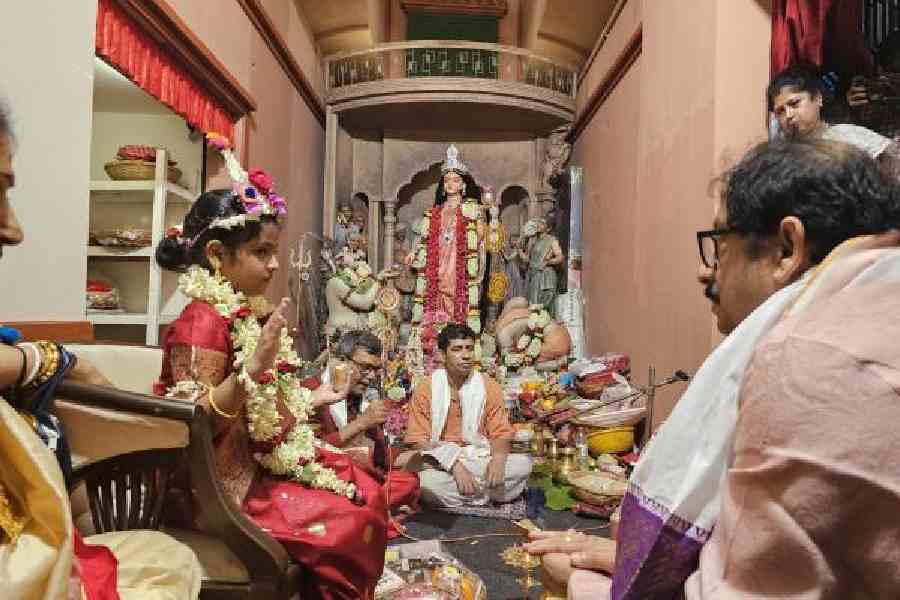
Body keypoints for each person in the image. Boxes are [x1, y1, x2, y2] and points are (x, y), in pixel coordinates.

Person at [526, 139, 900, 599]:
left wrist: (577, 583)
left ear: (786, 248)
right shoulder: (874, 301)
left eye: (719, 245)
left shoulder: (808, 360)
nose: (707, 274)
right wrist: (623, 556)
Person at [0, 97, 201, 599]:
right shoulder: (202, 322)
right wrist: (43, 358)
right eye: (262, 252)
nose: (15, 229)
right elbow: (201, 415)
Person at [154, 180, 388, 599]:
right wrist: (252, 369)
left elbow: (264, 412)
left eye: (273, 252)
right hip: (214, 491)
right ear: (217, 256)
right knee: (350, 523)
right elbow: (194, 424)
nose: (275, 265)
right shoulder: (200, 322)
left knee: (366, 483)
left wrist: (313, 399)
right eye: (262, 252)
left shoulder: (244, 311)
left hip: (258, 464)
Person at [404, 323, 532, 507]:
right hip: (439, 462)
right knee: (427, 483)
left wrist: (498, 461)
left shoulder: (488, 386)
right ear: (441, 355)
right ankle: (488, 493)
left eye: (469, 349)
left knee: (522, 464)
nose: (465, 355)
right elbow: (418, 440)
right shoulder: (426, 389)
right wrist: (454, 464)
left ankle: (465, 493)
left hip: (479, 458)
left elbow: (500, 432)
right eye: (457, 349)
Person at [317, 330, 420, 515]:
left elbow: (381, 460)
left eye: (375, 369)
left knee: (408, 480)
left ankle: (371, 504)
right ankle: (373, 505)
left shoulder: (361, 398)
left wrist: (420, 456)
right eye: (364, 368)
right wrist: (361, 423)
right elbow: (314, 451)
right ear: (340, 361)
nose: (371, 376)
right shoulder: (313, 393)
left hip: (361, 479)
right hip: (328, 479)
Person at [405, 145, 486, 337]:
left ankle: (455, 331)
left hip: (458, 259)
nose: (450, 184)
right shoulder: (434, 212)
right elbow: (423, 237)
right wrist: (413, 251)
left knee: (455, 291)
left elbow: (479, 237)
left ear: (463, 185)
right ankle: (434, 333)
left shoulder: (471, 209)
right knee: (435, 289)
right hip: (438, 257)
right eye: (447, 180)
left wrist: (482, 221)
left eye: (455, 180)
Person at [769, 63, 900, 176]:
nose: (788, 115)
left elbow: (891, 159)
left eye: (794, 103)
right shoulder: (782, 156)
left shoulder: (846, 135)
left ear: (818, 99)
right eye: (780, 111)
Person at [519, 217, 564, 317]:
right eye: (538, 223)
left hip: (545, 276)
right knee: (532, 306)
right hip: (533, 276)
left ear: (548, 228)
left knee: (543, 307)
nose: (538, 225)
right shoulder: (534, 241)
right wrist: (523, 242)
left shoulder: (551, 240)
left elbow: (560, 257)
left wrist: (548, 261)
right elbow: (526, 259)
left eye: (542, 223)